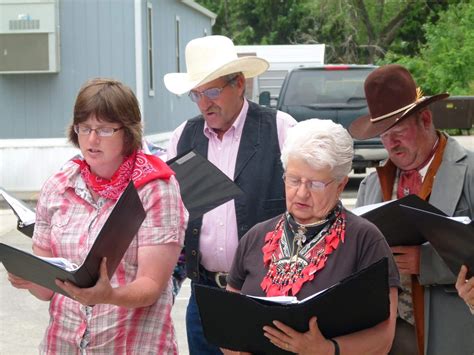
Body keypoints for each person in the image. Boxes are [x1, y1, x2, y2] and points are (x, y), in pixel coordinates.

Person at [7, 78, 188, 354]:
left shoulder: (155, 188)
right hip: (63, 345)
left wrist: (110, 296)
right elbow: (46, 292)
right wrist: (29, 278)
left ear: (128, 132)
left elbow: (151, 286)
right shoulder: (59, 186)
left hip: (131, 345)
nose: (91, 139)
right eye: (85, 128)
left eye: (104, 129)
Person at [164, 35, 296, 354]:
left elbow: (312, 213)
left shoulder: (281, 129)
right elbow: (170, 216)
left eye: (212, 91)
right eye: (197, 94)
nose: (204, 103)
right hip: (206, 295)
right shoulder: (183, 137)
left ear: (239, 84)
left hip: (267, 294)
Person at [225, 118, 400, 354]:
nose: (301, 193)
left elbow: (384, 337)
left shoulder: (365, 240)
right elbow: (227, 323)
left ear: (340, 185)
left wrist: (328, 350)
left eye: (316, 184)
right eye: (294, 180)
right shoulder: (256, 237)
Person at [349, 64, 474, 355]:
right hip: (388, 338)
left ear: (426, 119)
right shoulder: (371, 184)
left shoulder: (469, 172)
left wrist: (426, 263)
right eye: (382, 134)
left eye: (398, 131)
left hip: (454, 335)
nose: (390, 143)